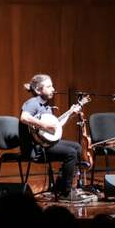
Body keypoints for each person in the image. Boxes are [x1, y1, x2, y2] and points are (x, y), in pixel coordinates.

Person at [19, 73, 90, 202]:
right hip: (37, 149)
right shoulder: (33, 103)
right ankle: (65, 193)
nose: (53, 89)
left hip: (46, 144)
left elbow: (54, 128)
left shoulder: (46, 106)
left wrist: (70, 114)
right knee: (71, 153)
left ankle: (60, 185)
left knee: (77, 147)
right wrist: (43, 124)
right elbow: (24, 117)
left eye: (52, 86)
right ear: (38, 90)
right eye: (49, 86)